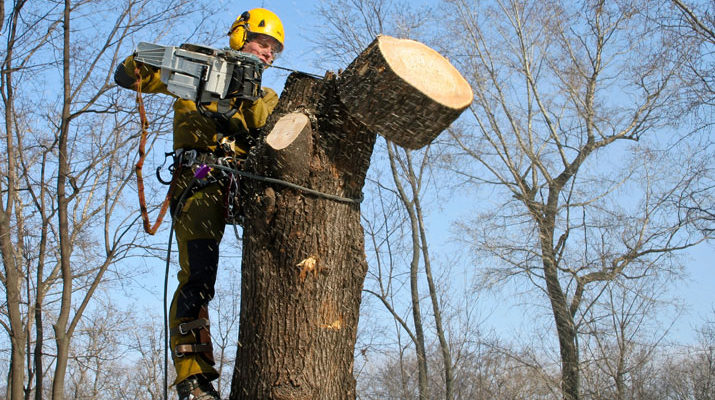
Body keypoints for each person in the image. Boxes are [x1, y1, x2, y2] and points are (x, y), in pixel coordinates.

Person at [115, 8, 284, 400]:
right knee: (198, 277)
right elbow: (130, 75)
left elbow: (269, 124)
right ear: (241, 36)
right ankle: (193, 377)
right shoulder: (197, 74)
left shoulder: (266, 95)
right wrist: (168, 62)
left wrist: (246, 93)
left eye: (275, 49)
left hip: (248, 187)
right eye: (264, 43)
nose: (269, 54)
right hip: (201, 182)